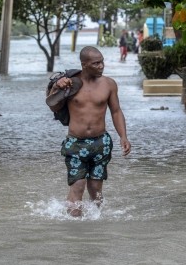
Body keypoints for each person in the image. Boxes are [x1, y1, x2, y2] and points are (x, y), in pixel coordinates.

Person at [48, 46, 131, 217]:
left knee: (95, 189)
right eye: (96, 63)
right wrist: (56, 87)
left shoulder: (109, 84)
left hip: (101, 143)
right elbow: (53, 106)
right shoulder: (70, 83)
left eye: (102, 62)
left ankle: (94, 228)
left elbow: (116, 111)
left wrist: (123, 136)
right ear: (84, 65)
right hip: (75, 143)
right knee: (77, 185)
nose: (101, 66)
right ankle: (73, 227)